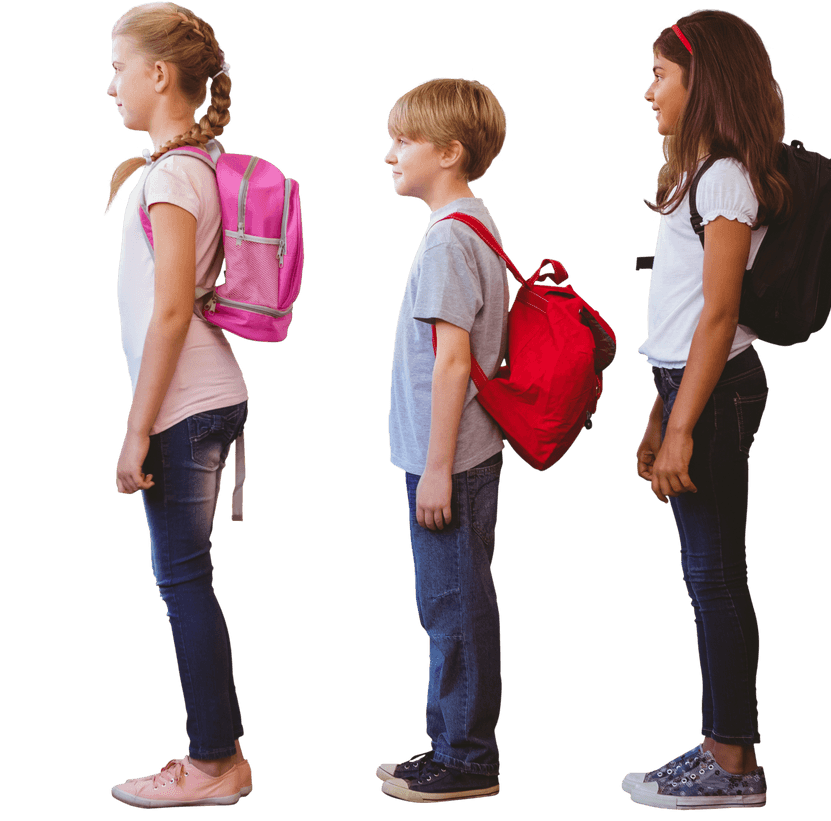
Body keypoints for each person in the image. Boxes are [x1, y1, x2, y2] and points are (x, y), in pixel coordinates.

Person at [621, 9, 790, 811]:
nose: (647, 90)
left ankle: (730, 762)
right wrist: (659, 415)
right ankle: (721, 747)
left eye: (660, 74)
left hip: (715, 389)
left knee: (715, 575)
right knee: (706, 574)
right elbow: (682, 317)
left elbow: (719, 316)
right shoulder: (696, 176)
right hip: (689, 385)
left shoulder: (725, 176)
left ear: (703, 82)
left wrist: (683, 422)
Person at [103, 3, 252, 810]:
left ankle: (212, 762)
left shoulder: (171, 175)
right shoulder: (198, 163)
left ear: (159, 75)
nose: (110, 85)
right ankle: (216, 752)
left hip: (183, 404)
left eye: (119, 67)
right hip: (208, 393)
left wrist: (136, 430)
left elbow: (169, 311)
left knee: (182, 582)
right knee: (188, 579)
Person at [376, 77, 508, 804]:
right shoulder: (470, 224)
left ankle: (467, 758)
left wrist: (434, 469)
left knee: (454, 606)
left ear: (450, 152)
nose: (389, 155)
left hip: (448, 463)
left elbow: (453, 360)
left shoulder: (451, 239)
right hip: (455, 457)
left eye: (403, 142)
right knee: (446, 602)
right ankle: (445, 740)